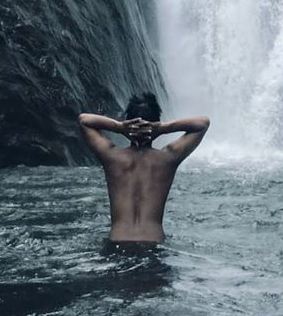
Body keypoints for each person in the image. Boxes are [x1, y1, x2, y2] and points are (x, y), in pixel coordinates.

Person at [78, 92, 209, 245]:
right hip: (153, 243)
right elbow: (202, 124)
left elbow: (84, 120)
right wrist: (162, 128)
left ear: (128, 123)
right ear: (156, 123)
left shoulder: (112, 157)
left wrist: (119, 127)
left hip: (118, 242)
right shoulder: (168, 159)